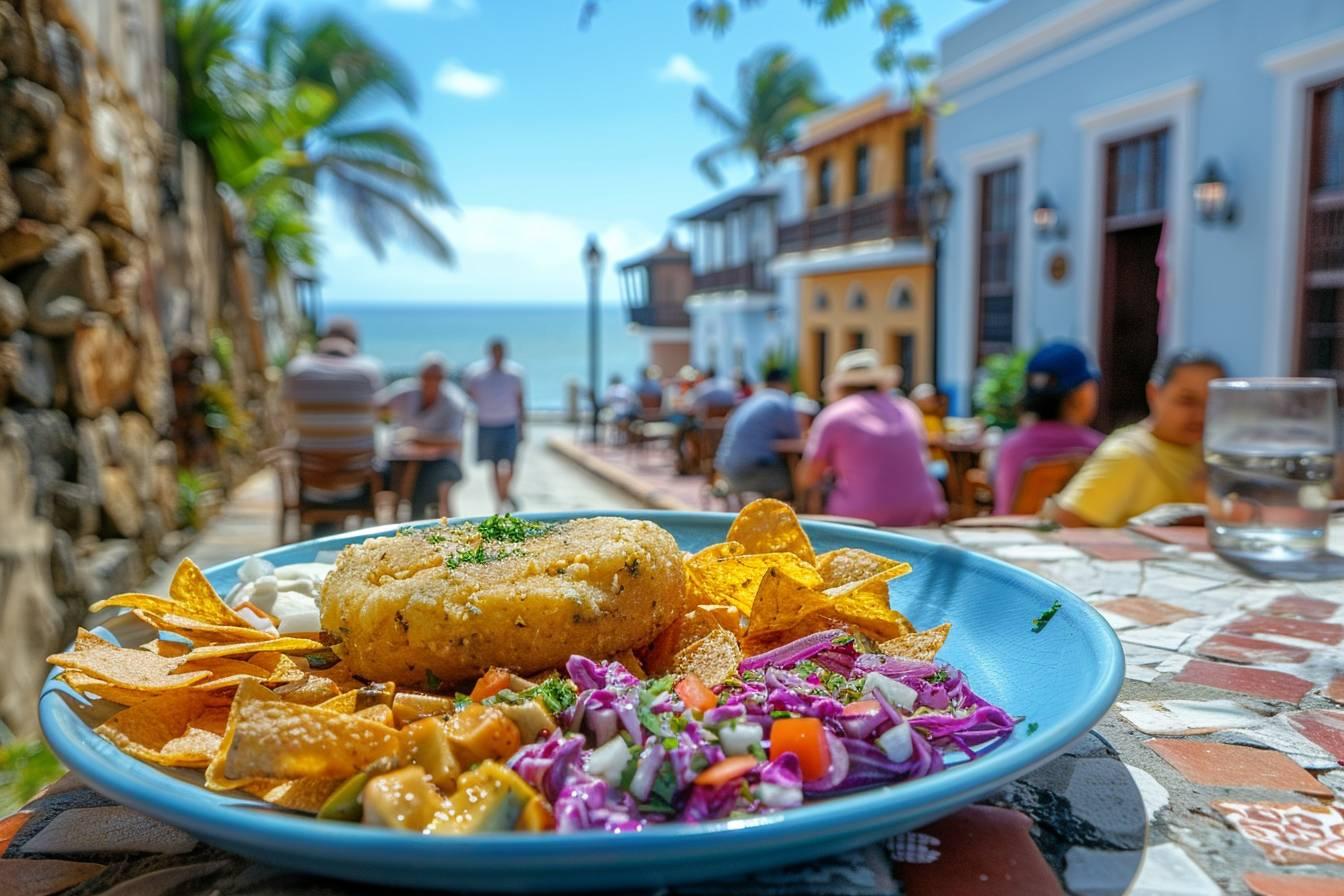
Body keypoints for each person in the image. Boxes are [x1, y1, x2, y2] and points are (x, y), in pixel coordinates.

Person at [1050, 350, 1226, 527]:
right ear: (1153, 393)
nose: (1200, 415)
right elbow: (1064, 526)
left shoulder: (1215, 456)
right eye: (1187, 400)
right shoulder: (1128, 455)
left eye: (1212, 402)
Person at [796, 349, 946, 526]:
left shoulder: (835, 415)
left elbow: (808, 476)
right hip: (922, 511)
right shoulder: (907, 408)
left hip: (863, 518)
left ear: (840, 386)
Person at [280, 317, 383, 535]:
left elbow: (289, 421)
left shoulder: (298, 369)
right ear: (354, 342)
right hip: (357, 483)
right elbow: (377, 417)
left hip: (313, 483)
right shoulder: (368, 370)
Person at [993, 343, 1105, 514]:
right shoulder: (1101, 449)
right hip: (1077, 539)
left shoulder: (1010, 447)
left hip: (1011, 537)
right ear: (1081, 394)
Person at [377, 352, 468, 519]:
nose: (430, 381)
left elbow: (454, 442)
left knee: (432, 485)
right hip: (401, 457)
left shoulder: (454, 401)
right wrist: (387, 421)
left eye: (436, 377)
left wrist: (416, 438)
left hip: (440, 460)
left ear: (443, 379)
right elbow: (377, 407)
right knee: (380, 476)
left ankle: (434, 526)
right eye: (427, 377)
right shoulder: (405, 391)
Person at [713, 367, 801, 499]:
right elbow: (795, 437)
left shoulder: (754, 399)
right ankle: (797, 514)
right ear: (786, 383)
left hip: (725, 470)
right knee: (797, 481)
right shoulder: (780, 400)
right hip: (747, 474)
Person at [464, 338, 526, 512]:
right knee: (494, 465)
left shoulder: (515, 373)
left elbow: (520, 400)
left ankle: (504, 493)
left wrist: (522, 425)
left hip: (508, 423)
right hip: (487, 423)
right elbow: (468, 394)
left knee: (511, 464)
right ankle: (499, 502)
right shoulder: (476, 372)